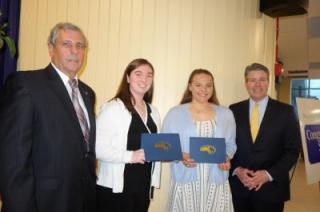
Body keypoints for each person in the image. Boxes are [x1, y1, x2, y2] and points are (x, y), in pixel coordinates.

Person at [0, 22, 97, 212]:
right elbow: (13, 162)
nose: (74, 51)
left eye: (80, 46)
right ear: (51, 49)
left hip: (81, 201)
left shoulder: (87, 93)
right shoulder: (26, 85)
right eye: (66, 44)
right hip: (43, 203)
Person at [229, 63, 301, 212]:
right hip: (239, 188)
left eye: (262, 79)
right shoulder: (233, 110)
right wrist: (237, 170)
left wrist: (268, 174)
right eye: (252, 80)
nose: (257, 84)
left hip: (272, 189)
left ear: (268, 82)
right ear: (246, 83)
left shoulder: (286, 111)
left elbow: (292, 151)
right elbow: (228, 145)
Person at [162, 69, 237, 212]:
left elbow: (230, 145)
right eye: (198, 85)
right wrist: (181, 156)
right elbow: (164, 147)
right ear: (190, 86)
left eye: (208, 85)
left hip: (216, 183)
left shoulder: (226, 114)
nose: (204, 89)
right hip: (185, 183)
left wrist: (225, 158)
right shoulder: (174, 114)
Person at [95, 58, 161, 212]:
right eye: (138, 74)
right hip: (116, 188)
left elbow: (157, 145)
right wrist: (131, 156)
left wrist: (169, 151)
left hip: (143, 186)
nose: (144, 79)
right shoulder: (113, 108)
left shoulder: (154, 111)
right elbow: (97, 148)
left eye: (149, 75)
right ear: (128, 78)